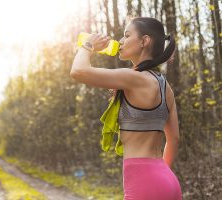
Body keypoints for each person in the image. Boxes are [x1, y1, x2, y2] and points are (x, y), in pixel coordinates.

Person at [70, 17, 182, 200]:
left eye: (127, 35)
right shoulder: (165, 87)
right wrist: (160, 177)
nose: (121, 41)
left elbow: (78, 71)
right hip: (167, 181)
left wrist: (88, 44)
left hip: (144, 184)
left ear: (144, 41)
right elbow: (174, 139)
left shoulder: (134, 78)